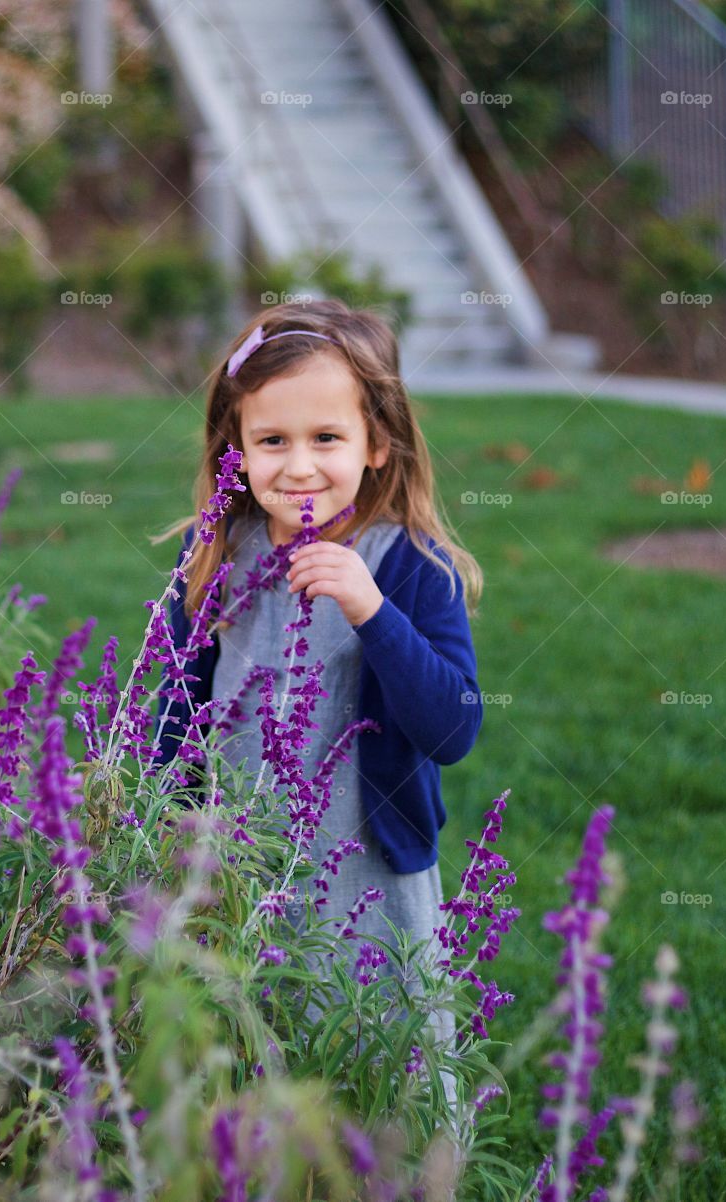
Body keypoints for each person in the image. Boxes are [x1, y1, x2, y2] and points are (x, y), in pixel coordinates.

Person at [149, 299, 484, 1177]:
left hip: (363, 874)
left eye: (327, 438)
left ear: (378, 442)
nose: (299, 468)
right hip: (236, 872)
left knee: (377, 1065)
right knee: (245, 1060)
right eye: (271, 442)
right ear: (236, 450)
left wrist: (371, 611)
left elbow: (452, 726)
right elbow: (175, 707)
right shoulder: (217, 552)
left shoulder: (410, 565)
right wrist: (161, 823)